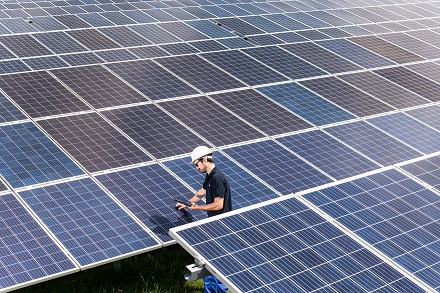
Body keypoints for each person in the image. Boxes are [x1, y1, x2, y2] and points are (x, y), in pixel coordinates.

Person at [176, 146, 232, 293]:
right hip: (213, 224)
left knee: (218, 265)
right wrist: (186, 203)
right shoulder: (210, 176)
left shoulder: (218, 178)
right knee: (208, 262)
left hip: (222, 226)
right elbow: (201, 192)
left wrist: (196, 208)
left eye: (197, 164)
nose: (196, 167)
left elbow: (218, 205)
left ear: (205, 159)